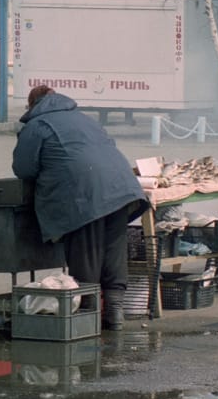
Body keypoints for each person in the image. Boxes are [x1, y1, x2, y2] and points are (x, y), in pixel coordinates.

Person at [12, 85, 149, 331]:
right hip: (121, 188)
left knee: (87, 255)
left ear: (32, 105)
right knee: (113, 251)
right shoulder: (85, 119)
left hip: (83, 194)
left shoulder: (37, 125)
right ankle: (115, 314)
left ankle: (89, 314)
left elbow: (24, 169)